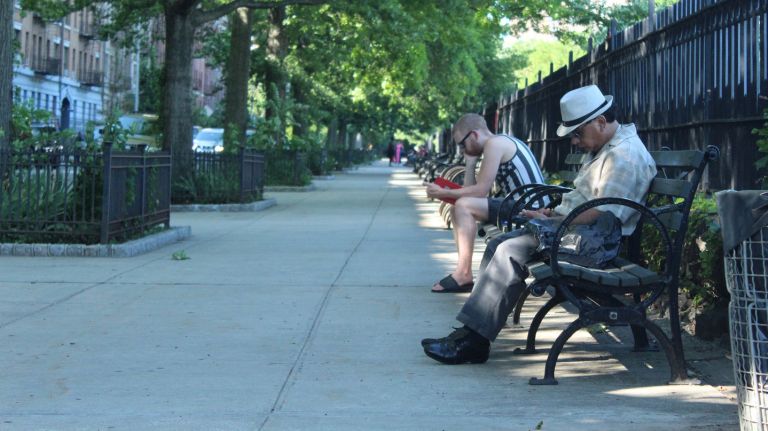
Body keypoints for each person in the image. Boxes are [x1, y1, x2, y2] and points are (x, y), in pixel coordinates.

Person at [421, 85, 658, 364]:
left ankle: (474, 340)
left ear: (601, 122)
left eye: (577, 133)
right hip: (577, 232)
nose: (574, 141)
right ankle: (473, 334)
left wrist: (553, 219)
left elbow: (600, 214)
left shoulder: (623, 155)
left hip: (593, 244)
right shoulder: (609, 146)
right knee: (500, 243)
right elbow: (590, 204)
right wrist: (550, 215)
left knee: (509, 249)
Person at [425, 113, 545, 293]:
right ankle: (462, 272)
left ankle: (463, 274)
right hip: (520, 206)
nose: (462, 149)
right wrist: (470, 163)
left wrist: (445, 192)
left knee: (463, 206)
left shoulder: (494, 144)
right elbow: (473, 194)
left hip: (531, 211)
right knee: (458, 207)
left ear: (473, 135)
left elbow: (479, 192)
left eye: (462, 144)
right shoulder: (499, 142)